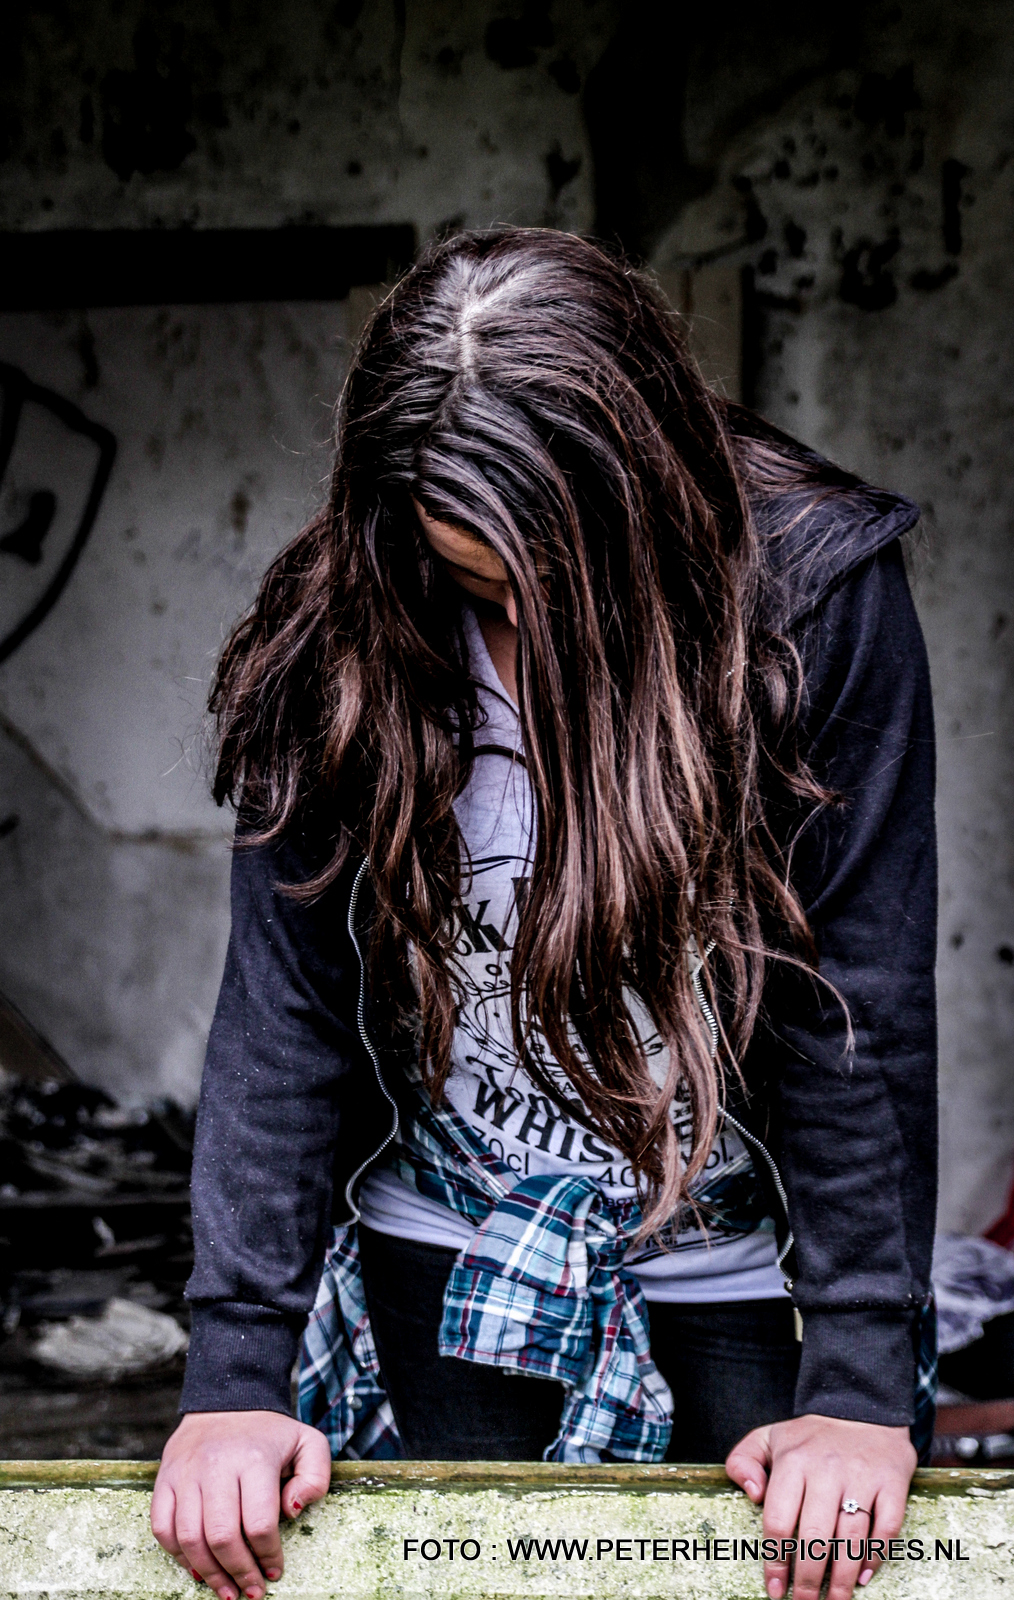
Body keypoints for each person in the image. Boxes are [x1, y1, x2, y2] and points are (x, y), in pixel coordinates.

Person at [151, 228, 937, 1600]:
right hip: (450, 1257)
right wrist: (231, 1377)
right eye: (477, 584)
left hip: (738, 1276)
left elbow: (850, 996)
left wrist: (862, 1385)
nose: (518, 628)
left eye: (552, 582)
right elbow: (283, 1015)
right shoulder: (344, 622)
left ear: (647, 498)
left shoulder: (810, 600)